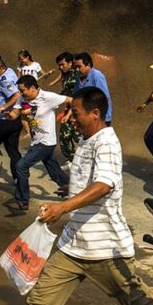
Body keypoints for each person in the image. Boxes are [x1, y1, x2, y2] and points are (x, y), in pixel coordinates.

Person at [8, 87, 153, 305]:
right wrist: (68, 194)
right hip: (72, 245)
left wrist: (63, 208)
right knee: (41, 298)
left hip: (105, 249)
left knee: (138, 303)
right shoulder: (85, 139)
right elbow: (88, 183)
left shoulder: (107, 143)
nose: (70, 118)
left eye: (75, 114)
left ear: (95, 114)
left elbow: (104, 186)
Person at [12, 75, 72, 210]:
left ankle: (23, 200)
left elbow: (71, 100)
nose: (21, 94)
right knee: (53, 168)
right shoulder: (23, 98)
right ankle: (72, 188)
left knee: (21, 166)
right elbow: (15, 114)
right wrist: (3, 112)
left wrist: (68, 115)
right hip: (36, 141)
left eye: (23, 90)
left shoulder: (48, 97)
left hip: (46, 142)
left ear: (33, 88)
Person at [50, 51, 80, 160]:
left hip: (79, 109)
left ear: (70, 63)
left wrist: (69, 114)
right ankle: (72, 159)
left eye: (63, 64)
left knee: (79, 136)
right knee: (65, 136)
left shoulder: (78, 74)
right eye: (59, 65)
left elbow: (77, 96)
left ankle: (87, 160)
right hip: (68, 108)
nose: (60, 67)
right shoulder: (65, 74)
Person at [73, 53, 112, 125]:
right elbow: (76, 97)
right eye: (75, 67)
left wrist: (105, 119)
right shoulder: (78, 79)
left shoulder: (97, 76)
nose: (77, 69)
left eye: (79, 66)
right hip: (84, 119)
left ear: (88, 65)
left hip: (98, 119)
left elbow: (105, 98)